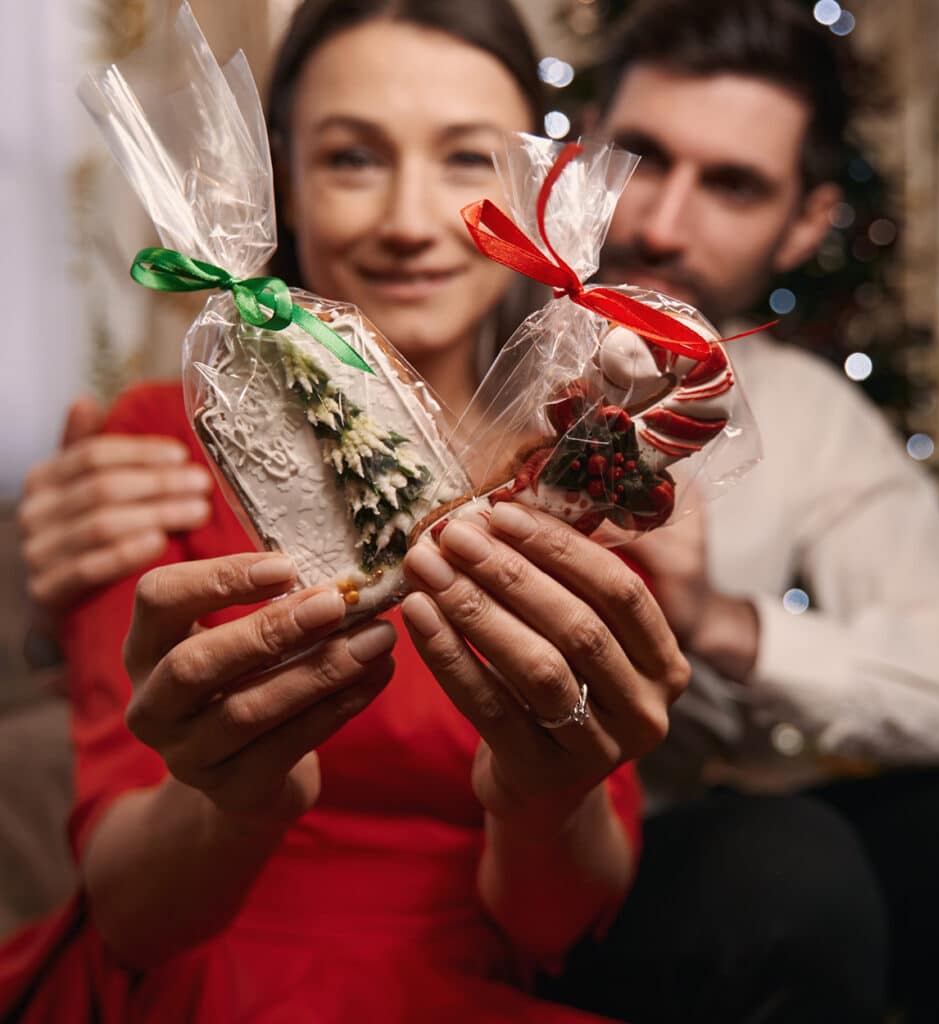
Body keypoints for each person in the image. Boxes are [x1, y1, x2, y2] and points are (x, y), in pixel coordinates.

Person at [1, 2, 691, 1020]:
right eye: (352, 158)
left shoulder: (581, 471)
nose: (408, 222)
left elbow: (553, 925)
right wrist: (230, 802)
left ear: (529, 192)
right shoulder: (153, 451)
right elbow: (133, 913)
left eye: (464, 159)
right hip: (204, 981)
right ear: (286, 177)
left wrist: (547, 796)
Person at [536, 2, 939, 1022]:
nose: (663, 223)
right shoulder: (474, 344)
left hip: (697, 843)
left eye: (733, 186)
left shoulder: (806, 417)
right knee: (781, 867)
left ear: (804, 224)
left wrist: (721, 623)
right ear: (581, 158)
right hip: (529, 854)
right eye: (642, 160)